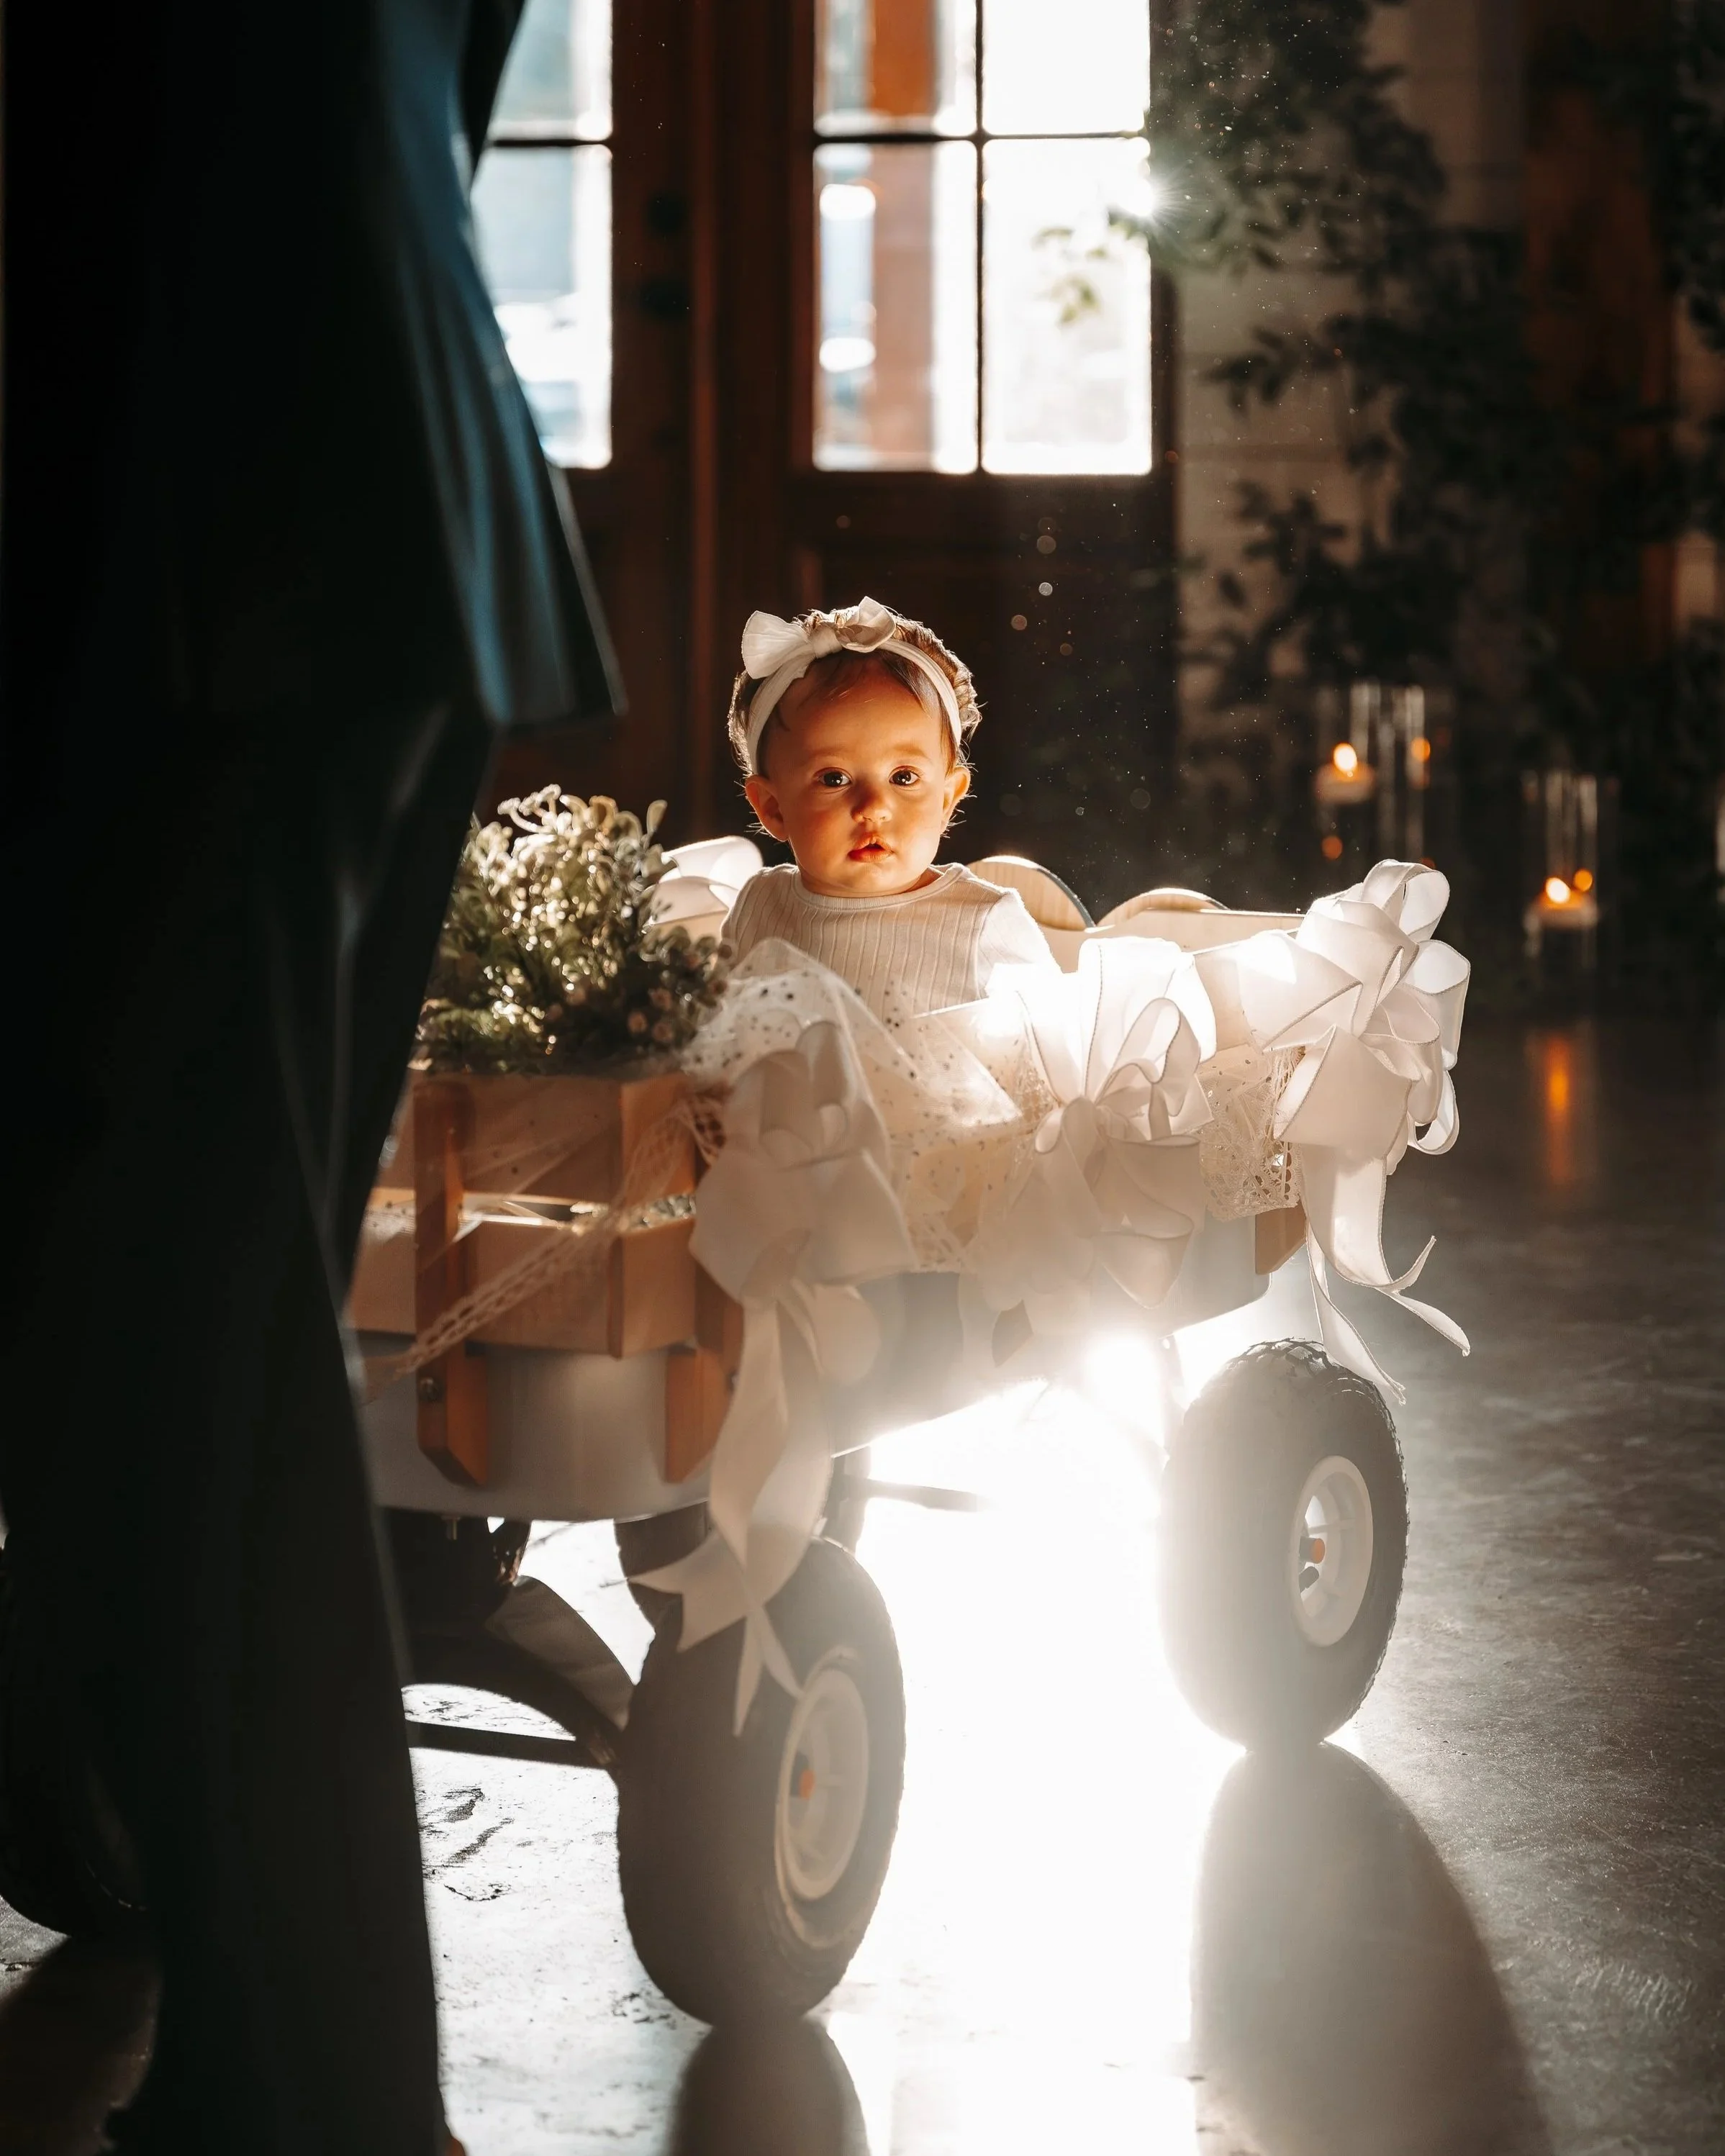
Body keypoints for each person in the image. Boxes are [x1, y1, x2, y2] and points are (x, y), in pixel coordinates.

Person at [0, 2, 621, 2150]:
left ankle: (316, 2106)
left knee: (190, 1362)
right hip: (365, 476)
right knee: (181, 1345)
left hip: (173, 522)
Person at [722, 599, 1054, 1020]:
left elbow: (1046, 1056)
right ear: (773, 809)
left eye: (904, 777)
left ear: (947, 799)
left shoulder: (981, 924)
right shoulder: (760, 907)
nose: (874, 807)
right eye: (834, 779)